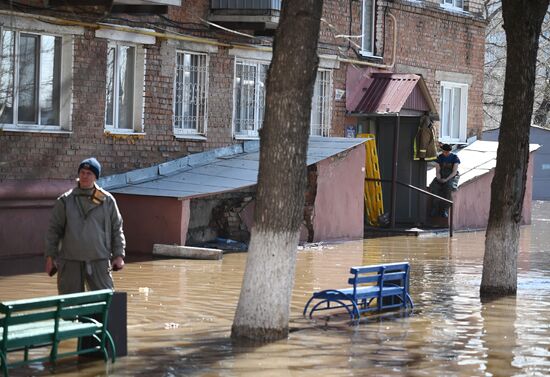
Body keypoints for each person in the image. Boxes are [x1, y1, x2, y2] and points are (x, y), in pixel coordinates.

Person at [45, 157, 126, 294]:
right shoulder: (65, 201)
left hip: (99, 259)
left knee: (104, 302)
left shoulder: (107, 200)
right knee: (69, 306)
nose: (84, 176)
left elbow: (116, 229)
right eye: (82, 172)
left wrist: (119, 255)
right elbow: (54, 231)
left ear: (96, 177)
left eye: (89, 173)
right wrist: (50, 257)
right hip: (70, 261)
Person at [429, 144, 460, 218]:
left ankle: (445, 209)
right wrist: (439, 178)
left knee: (448, 187)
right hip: (441, 175)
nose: (445, 153)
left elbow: (454, 172)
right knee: (434, 187)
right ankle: (435, 208)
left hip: (451, 176)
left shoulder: (455, 158)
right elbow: (437, 171)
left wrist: (446, 179)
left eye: (447, 152)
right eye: (444, 151)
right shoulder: (439, 157)